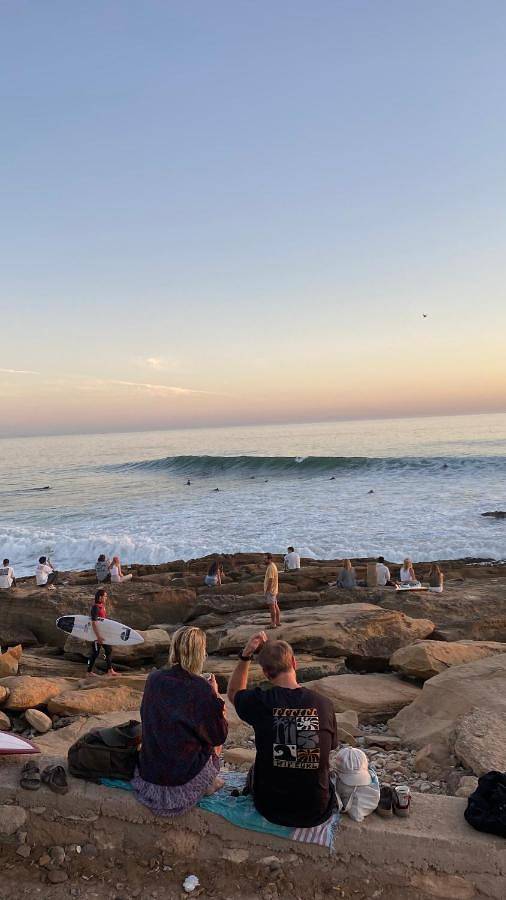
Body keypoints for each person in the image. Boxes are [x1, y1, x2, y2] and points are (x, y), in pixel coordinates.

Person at [227, 632, 337, 828]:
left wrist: (246, 655)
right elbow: (330, 747)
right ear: (294, 663)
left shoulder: (259, 702)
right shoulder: (324, 704)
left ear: (266, 673)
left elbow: (234, 693)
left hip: (270, 807)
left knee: (255, 769)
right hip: (316, 809)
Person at [132, 626, 228, 816]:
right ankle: (206, 783)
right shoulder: (201, 688)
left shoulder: (154, 679)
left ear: (174, 649)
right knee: (215, 737)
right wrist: (215, 697)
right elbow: (219, 736)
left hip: (150, 777)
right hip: (180, 782)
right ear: (200, 653)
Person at [87, 587, 116, 676]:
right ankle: (88, 672)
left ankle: (110, 670)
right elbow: (94, 623)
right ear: (100, 597)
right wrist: (98, 636)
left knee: (109, 650)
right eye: (105, 596)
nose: (106, 598)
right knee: (95, 653)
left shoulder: (102, 606)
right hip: (97, 635)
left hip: (103, 634)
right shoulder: (96, 608)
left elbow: (102, 622)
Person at [264, 553, 280, 628]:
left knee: (272, 607)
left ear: (269, 559)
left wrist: (268, 590)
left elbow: (270, 579)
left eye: (265, 559)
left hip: (271, 591)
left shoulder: (270, 567)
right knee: (275, 606)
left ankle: (273, 624)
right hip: (274, 589)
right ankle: (278, 621)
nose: (264, 560)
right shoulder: (273, 565)